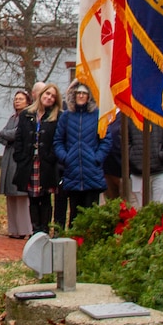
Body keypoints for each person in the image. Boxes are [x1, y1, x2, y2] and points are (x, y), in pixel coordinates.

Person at [55, 83, 111, 226]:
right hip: (72, 172)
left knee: (91, 214)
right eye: (78, 93)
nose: (80, 96)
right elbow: (58, 141)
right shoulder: (66, 116)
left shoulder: (97, 116)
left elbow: (106, 140)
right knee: (74, 214)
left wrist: (97, 158)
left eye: (84, 93)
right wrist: (66, 158)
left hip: (91, 172)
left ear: (89, 96)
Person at [14, 83, 62, 233]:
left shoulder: (58, 116)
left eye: (53, 96)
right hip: (29, 162)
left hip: (46, 164)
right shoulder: (27, 114)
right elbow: (19, 137)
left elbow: (59, 139)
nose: (49, 98)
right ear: (41, 95)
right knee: (32, 197)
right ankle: (35, 230)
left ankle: (44, 230)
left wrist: (51, 157)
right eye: (47, 94)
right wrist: (20, 156)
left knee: (45, 197)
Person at [102, 112, 163, 207]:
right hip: (138, 172)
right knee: (141, 214)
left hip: (162, 171)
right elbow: (124, 137)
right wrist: (133, 157)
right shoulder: (130, 109)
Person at [0, 90, 32, 239]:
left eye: (20, 99)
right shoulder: (12, 117)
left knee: (21, 194)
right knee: (10, 194)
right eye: (16, 99)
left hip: (19, 157)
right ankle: (13, 229)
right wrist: (7, 135)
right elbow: (2, 136)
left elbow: (15, 134)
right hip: (8, 157)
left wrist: (8, 134)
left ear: (27, 101)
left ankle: (24, 229)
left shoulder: (28, 117)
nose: (17, 101)